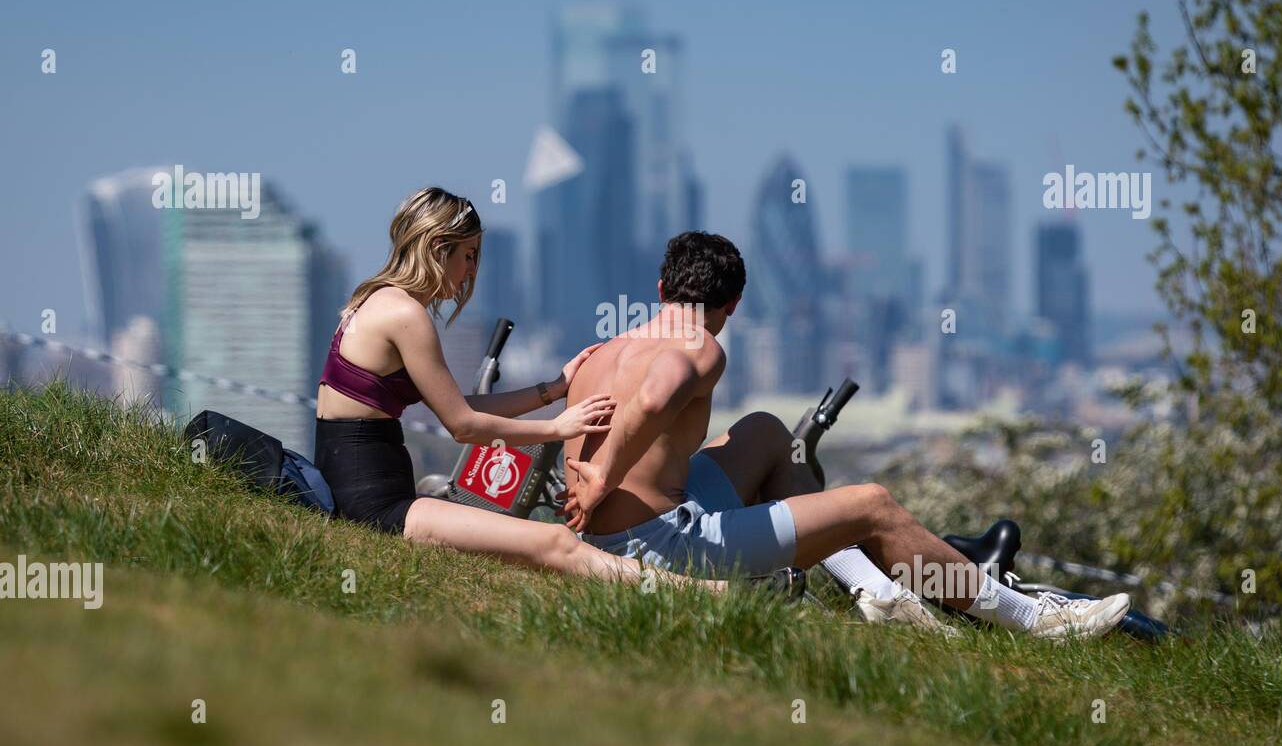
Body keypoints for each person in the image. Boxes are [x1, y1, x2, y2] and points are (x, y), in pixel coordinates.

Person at [561, 231, 1131, 639]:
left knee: (764, 433)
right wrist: (606, 473)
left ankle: (873, 590)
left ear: (660, 287)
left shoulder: (602, 352)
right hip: (665, 547)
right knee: (874, 504)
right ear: (732, 305)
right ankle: (1039, 621)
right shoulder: (699, 343)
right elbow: (659, 396)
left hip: (604, 538)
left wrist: (594, 483)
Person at [313, 186, 720, 592]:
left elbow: (456, 404)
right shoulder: (405, 314)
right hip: (376, 508)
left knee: (544, 544)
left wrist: (552, 389)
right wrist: (558, 428)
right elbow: (463, 426)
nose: (471, 271)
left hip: (360, 492)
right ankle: (708, 593)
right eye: (468, 255)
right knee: (556, 542)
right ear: (438, 247)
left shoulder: (372, 300)